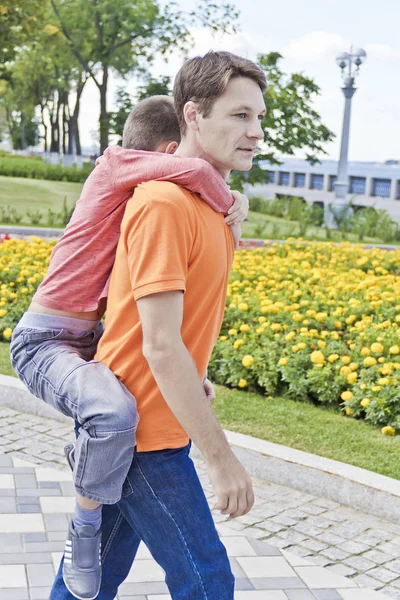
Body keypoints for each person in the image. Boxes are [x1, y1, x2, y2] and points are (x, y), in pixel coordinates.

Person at [10, 94, 249, 600]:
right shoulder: (118, 167)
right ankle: (83, 501)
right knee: (112, 416)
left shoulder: (150, 199)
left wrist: (186, 373)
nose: (254, 132)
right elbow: (199, 174)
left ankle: (97, 464)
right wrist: (231, 200)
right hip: (45, 339)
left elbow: (134, 316)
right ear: (166, 150)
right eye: (241, 116)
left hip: (88, 342)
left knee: (95, 578)